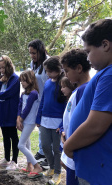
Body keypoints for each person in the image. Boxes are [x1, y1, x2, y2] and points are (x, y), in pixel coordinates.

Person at [63, 19, 112, 185]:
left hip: (99, 171)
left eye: (88, 51)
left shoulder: (110, 76)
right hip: (94, 166)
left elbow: (96, 125)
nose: (87, 57)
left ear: (105, 45)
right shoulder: (105, 73)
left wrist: (69, 146)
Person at [60, 49, 91, 185]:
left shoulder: (84, 91)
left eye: (67, 70)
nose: (65, 74)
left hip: (75, 150)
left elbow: (84, 123)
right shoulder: (78, 90)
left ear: (79, 68)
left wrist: (69, 144)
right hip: (71, 145)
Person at [36, 56, 67, 185]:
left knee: (56, 149)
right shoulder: (48, 82)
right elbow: (43, 100)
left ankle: (57, 173)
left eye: (49, 71)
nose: (47, 74)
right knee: (45, 146)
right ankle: (51, 167)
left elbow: (66, 104)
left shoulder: (63, 83)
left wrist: (62, 124)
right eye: (46, 71)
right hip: (45, 120)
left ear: (58, 70)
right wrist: (38, 116)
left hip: (57, 122)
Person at [0, 55, 20, 170]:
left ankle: (15, 161)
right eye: (0, 68)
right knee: (5, 136)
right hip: (1, 111)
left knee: (13, 136)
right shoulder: (2, 78)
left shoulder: (15, 78)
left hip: (10, 111)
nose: (2, 70)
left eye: (3, 68)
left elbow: (7, 93)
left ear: (9, 66)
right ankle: (6, 158)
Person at [17, 70, 43, 178]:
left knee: (21, 145)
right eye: (21, 81)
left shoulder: (34, 93)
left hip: (30, 121)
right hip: (23, 120)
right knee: (27, 144)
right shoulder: (24, 93)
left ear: (31, 80)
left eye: (24, 80)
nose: (22, 83)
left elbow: (27, 108)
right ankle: (29, 166)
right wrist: (18, 118)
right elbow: (20, 105)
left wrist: (20, 120)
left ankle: (37, 166)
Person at [28, 39, 49, 166]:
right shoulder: (33, 64)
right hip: (38, 100)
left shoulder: (48, 63)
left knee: (48, 129)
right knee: (40, 126)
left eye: (34, 53)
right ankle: (42, 151)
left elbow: (50, 83)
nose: (32, 56)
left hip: (47, 100)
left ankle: (49, 155)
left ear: (40, 51)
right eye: (30, 53)